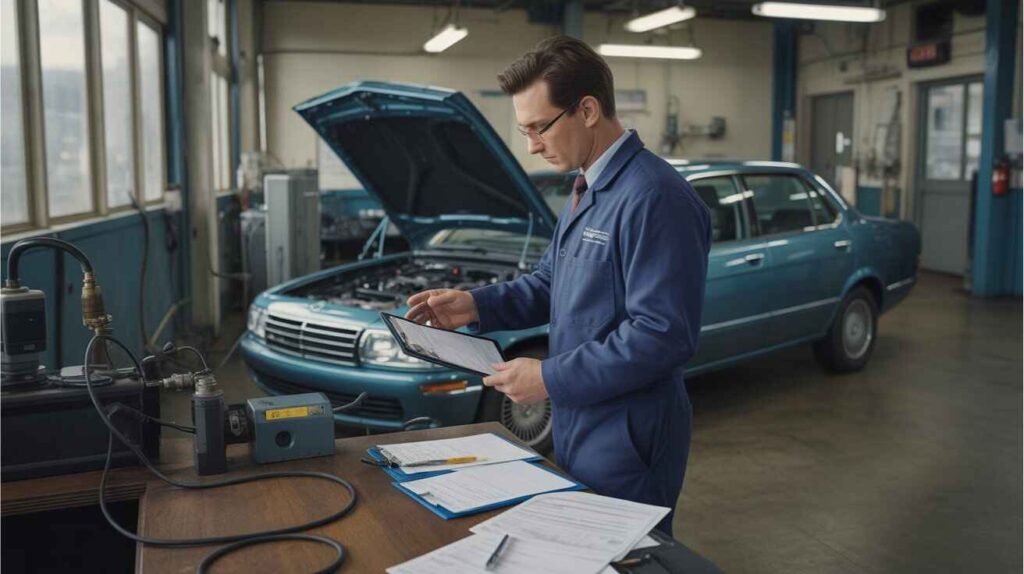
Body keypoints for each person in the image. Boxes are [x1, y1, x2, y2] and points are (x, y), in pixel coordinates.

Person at [405, 35, 710, 535]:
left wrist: (550, 377)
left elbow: (662, 335)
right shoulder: (587, 185)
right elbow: (552, 281)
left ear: (587, 110)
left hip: (628, 433)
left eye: (539, 128)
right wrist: (475, 305)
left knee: (623, 555)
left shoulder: (655, 197)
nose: (532, 146)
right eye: (524, 131)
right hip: (580, 420)